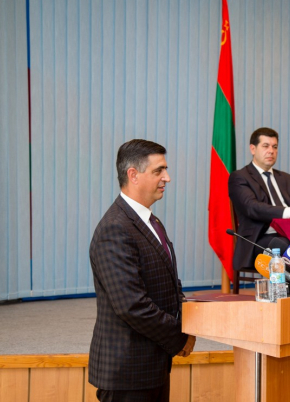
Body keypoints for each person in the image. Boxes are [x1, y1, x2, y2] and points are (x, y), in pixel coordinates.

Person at [88, 139, 195, 402]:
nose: (167, 178)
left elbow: (169, 281)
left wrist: (190, 317)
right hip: (128, 372)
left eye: (165, 169)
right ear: (133, 175)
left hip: (153, 366)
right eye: (159, 171)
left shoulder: (150, 220)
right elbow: (131, 305)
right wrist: (179, 337)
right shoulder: (115, 228)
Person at [228, 128, 290, 271]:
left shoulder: (286, 178)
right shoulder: (240, 177)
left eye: (275, 147)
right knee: (285, 247)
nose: (271, 151)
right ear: (253, 149)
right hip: (259, 239)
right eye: (265, 146)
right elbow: (252, 208)